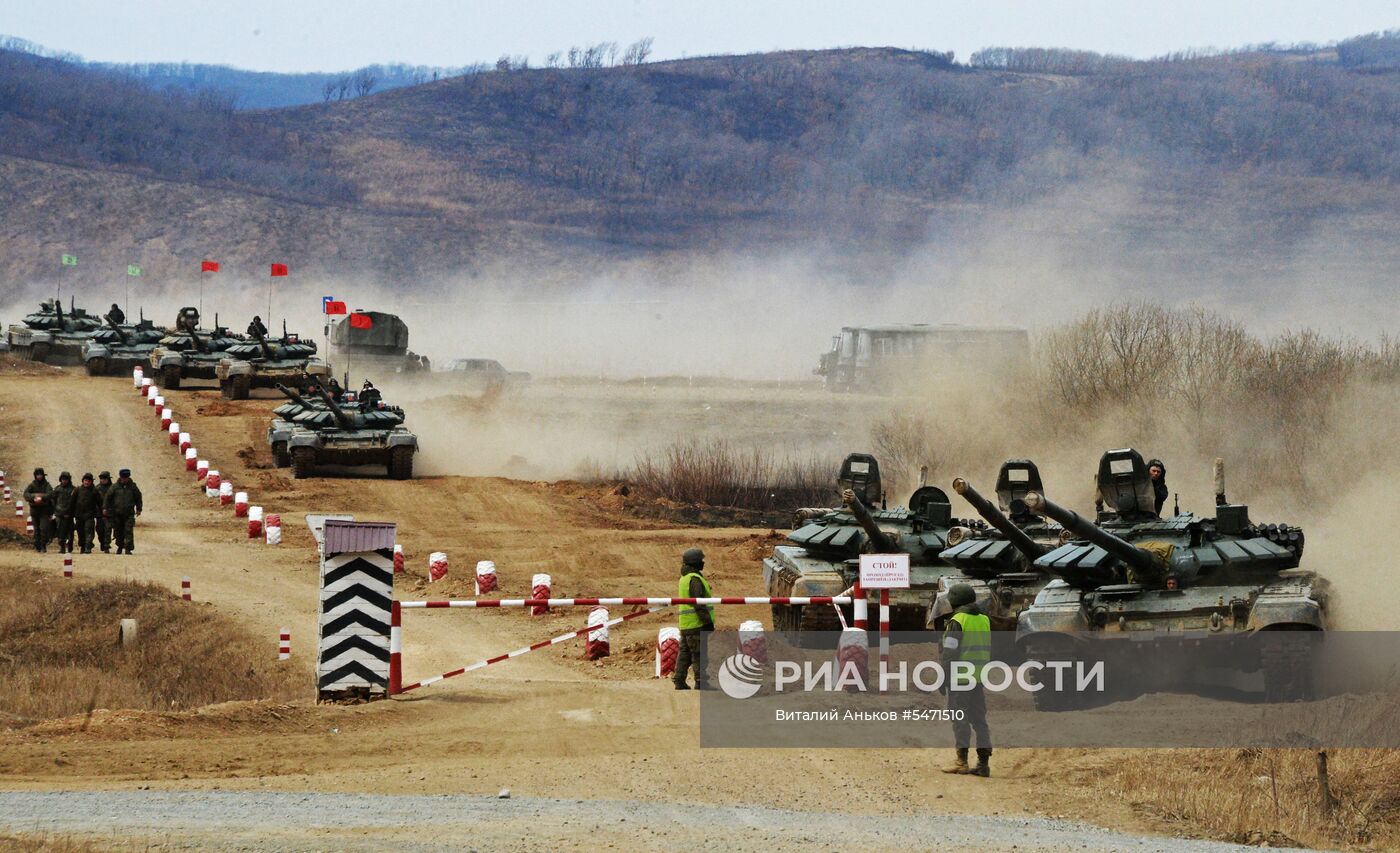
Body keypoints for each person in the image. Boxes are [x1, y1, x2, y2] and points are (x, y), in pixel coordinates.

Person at [940, 583, 993, 778]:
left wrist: (943, 678)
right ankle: (983, 764)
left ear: (954, 600)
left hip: (960, 679)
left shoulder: (958, 621)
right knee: (979, 720)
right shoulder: (984, 620)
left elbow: (949, 653)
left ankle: (961, 762)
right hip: (977, 679)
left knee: (960, 719)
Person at [673, 548, 715, 690]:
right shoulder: (694, 580)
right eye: (701, 560)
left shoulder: (684, 579)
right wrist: (707, 622)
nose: (702, 563)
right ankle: (701, 682)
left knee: (684, 653)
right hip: (697, 623)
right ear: (695, 562)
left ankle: (679, 680)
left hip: (686, 624)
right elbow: (698, 603)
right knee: (699, 654)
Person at [103, 469, 143, 555]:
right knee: (118, 531)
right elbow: (108, 497)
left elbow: (138, 497)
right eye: (123, 478)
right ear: (120, 477)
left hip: (129, 513)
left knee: (128, 531)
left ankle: (128, 548)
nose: (124, 479)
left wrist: (139, 509)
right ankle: (120, 546)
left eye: (126, 478)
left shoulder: (133, 487)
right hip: (117, 513)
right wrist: (105, 508)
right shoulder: (114, 487)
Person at [22, 467, 53, 553]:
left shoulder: (47, 485)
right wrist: (34, 498)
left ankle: (43, 545)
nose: (39, 476)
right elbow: (26, 494)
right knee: (36, 530)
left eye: (41, 475)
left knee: (43, 529)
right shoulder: (32, 485)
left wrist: (41, 498)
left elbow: (50, 494)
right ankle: (37, 545)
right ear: (35, 476)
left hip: (44, 511)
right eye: (38, 475)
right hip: (34, 511)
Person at [74, 473, 102, 554]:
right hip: (79, 515)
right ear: (83, 481)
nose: (87, 482)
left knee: (89, 531)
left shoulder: (94, 491)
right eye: (85, 480)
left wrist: (102, 512)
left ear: (91, 482)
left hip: (89, 515)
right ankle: (82, 546)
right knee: (80, 532)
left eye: (89, 481)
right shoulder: (77, 490)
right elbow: (72, 502)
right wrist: (70, 513)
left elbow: (100, 503)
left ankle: (88, 547)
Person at [51, 471, 78, 554]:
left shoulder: (73, 489)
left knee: (70, 530)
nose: (64, 481)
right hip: (59, 513)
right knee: (59, 530)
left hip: (69, 514)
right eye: (63, 479)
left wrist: (71, 512)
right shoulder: (57, 489)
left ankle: (70, 544)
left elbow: (76, 502)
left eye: (66, 479)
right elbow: (53, 500)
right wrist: (55, 509)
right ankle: (62, 546)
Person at [94, 471, 114, 552]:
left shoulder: (112, 488)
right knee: (99, 530)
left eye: (104, 478)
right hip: (99, 513)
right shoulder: (97, 488)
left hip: (109, 513)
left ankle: (106, 545)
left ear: (108, 479)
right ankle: (102, 542)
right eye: (101, 478)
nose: (102, 480)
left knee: (108, 529)